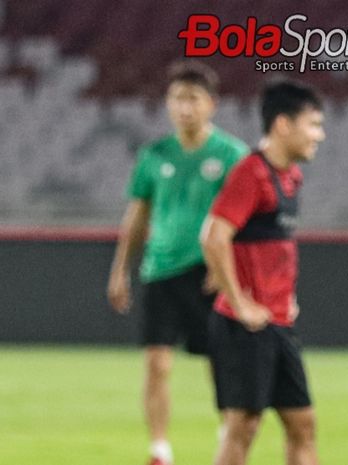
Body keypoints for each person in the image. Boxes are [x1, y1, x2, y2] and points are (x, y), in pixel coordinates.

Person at [107, 60, 249, 465]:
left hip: (208, 274)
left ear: (211, 104)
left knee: (220, 361)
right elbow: (137, 216)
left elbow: (244, 219)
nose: (184, 108)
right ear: (168, 105)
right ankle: (159, 450)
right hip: (160, 271)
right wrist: (120, 270)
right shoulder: (154, 155)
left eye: (193, 99)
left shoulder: (232, 155)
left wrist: (227, 271)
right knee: (157, 363)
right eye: (177, 99)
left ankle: (228, 436)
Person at [200, 80, 325, 465]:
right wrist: (239, 302)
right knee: (243, 426)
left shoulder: (291, 177)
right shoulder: (251, 173)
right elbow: (213, 237)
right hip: (244, 327)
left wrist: (286, 295)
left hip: (278, 322)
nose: (319, 135)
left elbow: (271, 246)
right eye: (313, 124)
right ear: (283, 125)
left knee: (302, 424)